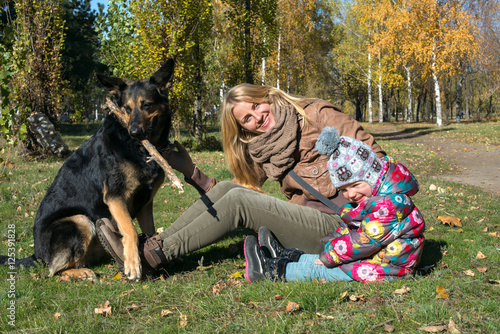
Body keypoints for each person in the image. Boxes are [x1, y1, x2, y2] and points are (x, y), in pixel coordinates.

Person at [96, 84, 386, 278]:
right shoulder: (264, 145)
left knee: (237, 199)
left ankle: (152, 257)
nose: (257, 118)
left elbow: (376, 157)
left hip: (347, 227)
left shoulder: (316, 114)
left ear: (266, 96)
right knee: (229, 189)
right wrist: (191, 171)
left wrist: (381, 221)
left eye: (257, 106)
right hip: (311, 220)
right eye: (246, 119)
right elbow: (233, 196)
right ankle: (156, 245)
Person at [244, 127, 425, 283]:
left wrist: (332, 252)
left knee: (329, 268)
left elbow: (365, 241)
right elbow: (357, 225)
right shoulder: (375, 196)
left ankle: (272, 271)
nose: (351, 194)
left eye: (356, 185)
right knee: (333, 258)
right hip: (380, 257)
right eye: (344, 189)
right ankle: (291, 258)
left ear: (372, 176)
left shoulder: (389, 204)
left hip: (390, 267)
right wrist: (336, 239)